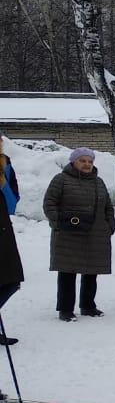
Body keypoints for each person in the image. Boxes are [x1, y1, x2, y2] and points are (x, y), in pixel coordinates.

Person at [43, 147, 115, 321]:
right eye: (82, 161)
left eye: (90, 161)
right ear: (73, 162)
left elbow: (108, 207)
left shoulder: (98, 182)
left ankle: (88, 306)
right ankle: (66, 309)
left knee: (92, 271)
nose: (87, 164)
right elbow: (49, 203)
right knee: (68, 272)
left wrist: (109, 226)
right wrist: (58, 223)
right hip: (69, 234)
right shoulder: (61, 180)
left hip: (95, 234)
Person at [0, 139, 23, 344]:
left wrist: (3, 183)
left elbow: (11, 204)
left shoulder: (5, 164)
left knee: (10, 281)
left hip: (2, 229)